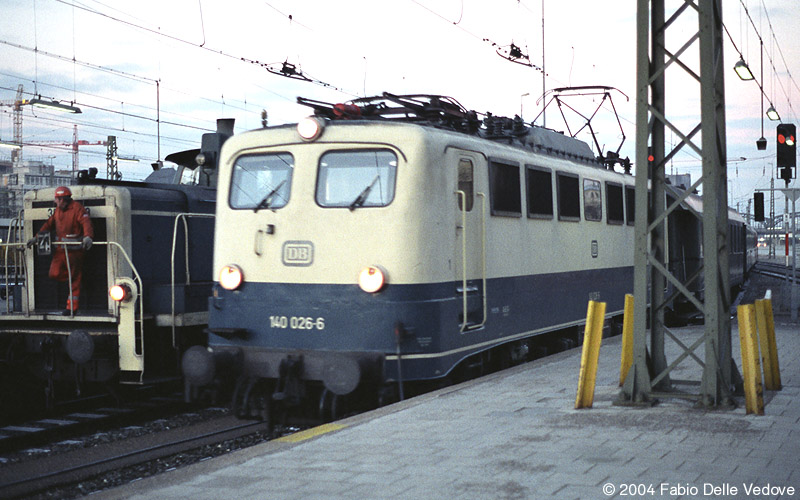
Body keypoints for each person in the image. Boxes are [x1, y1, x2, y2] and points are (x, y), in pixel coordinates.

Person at [27, 186, 94, 315]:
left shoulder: (78, 209)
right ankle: (74, 278)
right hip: (60, 251)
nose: (55, 202)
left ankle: (71, 308)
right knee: (54, 273)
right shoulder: (58, 211)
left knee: (74, 279)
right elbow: (48, 225)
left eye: (57, 199)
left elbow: (86, 223)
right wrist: (36, 238)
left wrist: (88, 237)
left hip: (74, 251)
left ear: (63, 199)